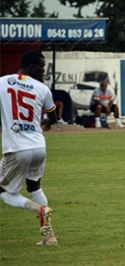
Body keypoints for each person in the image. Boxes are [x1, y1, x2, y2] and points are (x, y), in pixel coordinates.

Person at [0, 50, 59, 246]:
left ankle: (38, 209)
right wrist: (45, 123)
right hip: (38, 146)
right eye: (41, 67)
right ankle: (49, 236)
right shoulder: (42, 89)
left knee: (4, 192)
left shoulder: (3, 82)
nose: (43, 70)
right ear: (32, 67)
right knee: (34, 186)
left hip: (17, 148)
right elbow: (53, 117)